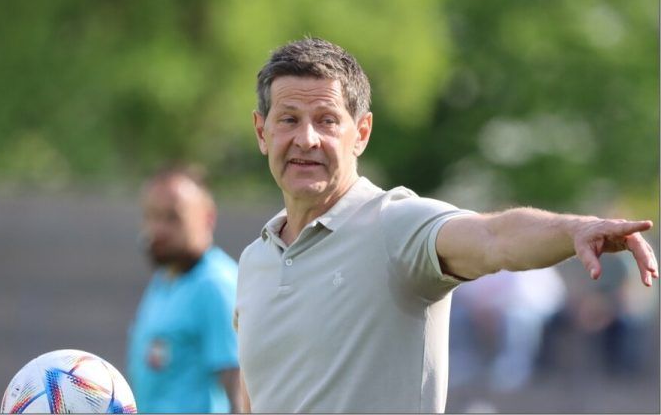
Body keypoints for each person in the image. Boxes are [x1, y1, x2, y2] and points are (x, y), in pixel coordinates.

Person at [234, 37, 658, 413]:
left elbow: (493, 237)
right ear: (261, 132)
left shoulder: (393, 223)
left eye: (326, 120)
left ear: (361, 133)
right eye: (288, 119)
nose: (307, 138)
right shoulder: (256, 260)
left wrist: (574, 229)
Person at [126, 165, 240, 413]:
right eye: (151, 216)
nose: (158, 229)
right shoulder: (165, 278)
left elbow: (241, 389)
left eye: (172, 217)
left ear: (208, 218)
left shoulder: (216, 285)